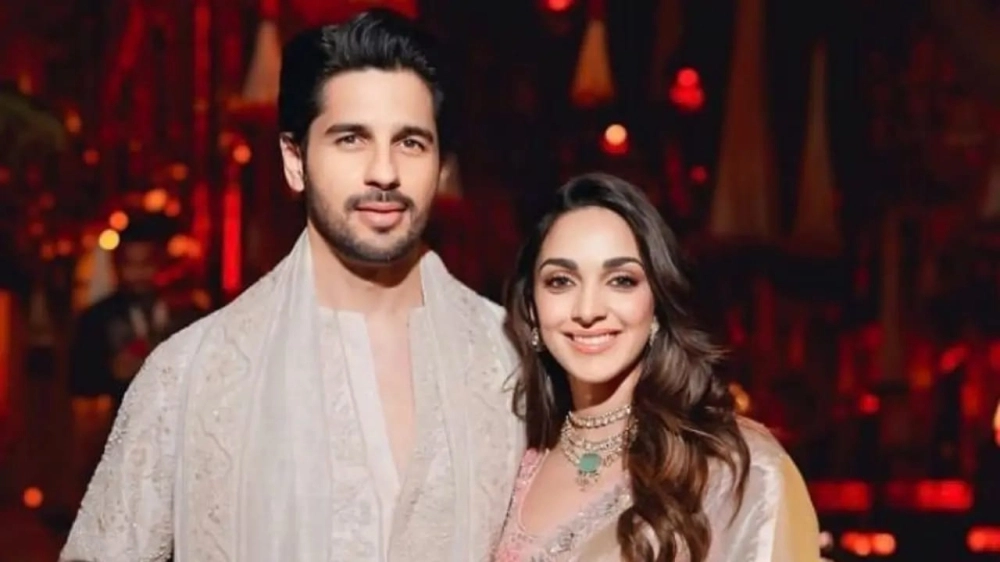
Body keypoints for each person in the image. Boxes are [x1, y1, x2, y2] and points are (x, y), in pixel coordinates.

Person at [61, 10, 522, 562]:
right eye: (351, 139)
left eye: (411, 143)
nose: (384, 171)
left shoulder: (511, 359)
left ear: (440, 166)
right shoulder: (192, 374)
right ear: (295, 161)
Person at [496, 173, 820, 561]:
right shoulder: (507, 462)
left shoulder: (735, 469)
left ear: (656, 303)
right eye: (561, 281)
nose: (588, 310)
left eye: (621, 280)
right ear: (532, 309)